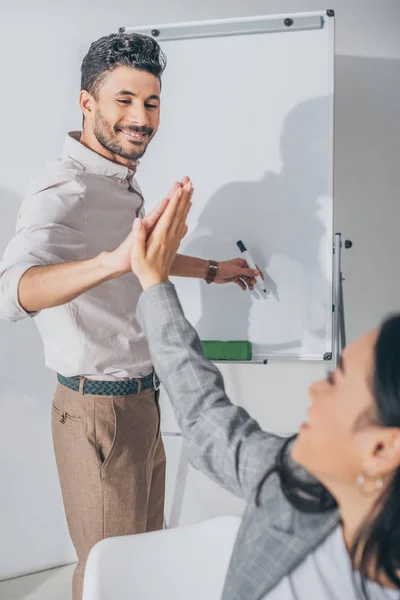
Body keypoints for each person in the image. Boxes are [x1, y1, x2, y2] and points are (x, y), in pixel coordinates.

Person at [0, 33, 259, 599]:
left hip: (142, 401)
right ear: (87, 102)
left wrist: (214, 269)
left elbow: (139, 255)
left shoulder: (116, 177)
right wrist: (112, 260)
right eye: (124, 100)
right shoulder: (62, 188)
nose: (140, 118)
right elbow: (12, 291)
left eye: (151, 102)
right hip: (98, 413)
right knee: (108, 579)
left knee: (146, 566)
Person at [131, 181, 400, 600]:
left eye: (336, 381)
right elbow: (208, 421)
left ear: (383, 449)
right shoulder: (298, 488)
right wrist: (155, 285)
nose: (315, 389)